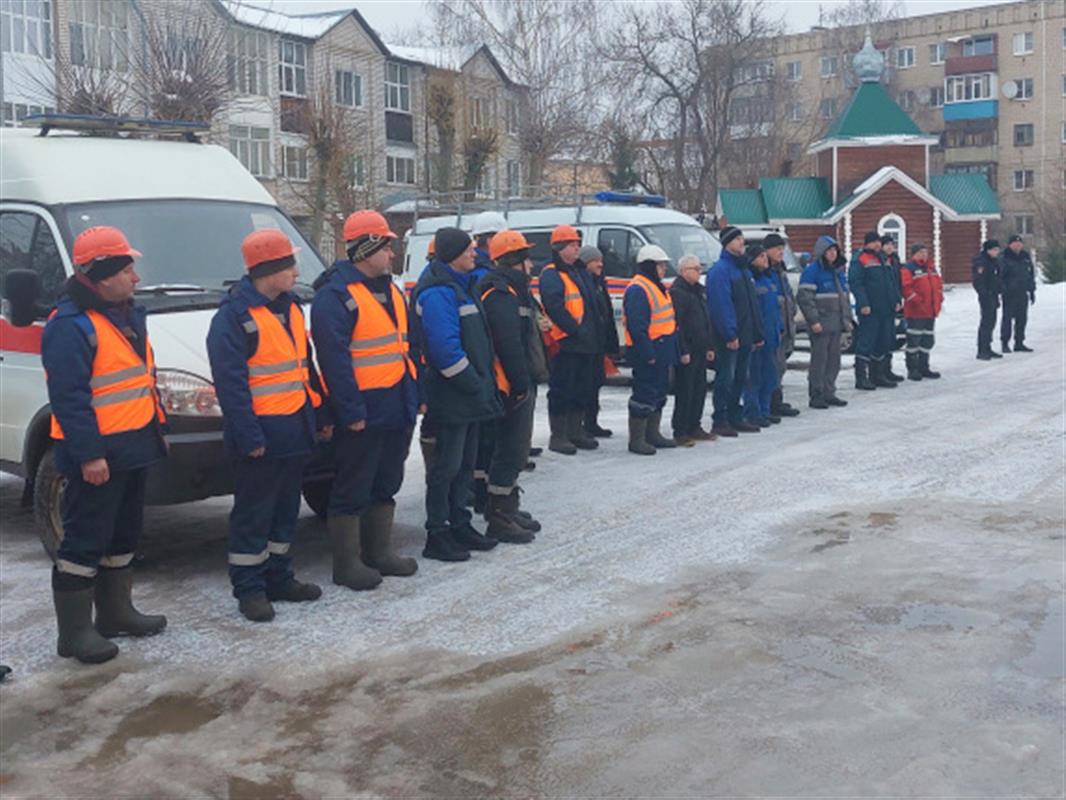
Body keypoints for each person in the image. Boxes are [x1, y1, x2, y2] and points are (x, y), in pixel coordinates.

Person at [42, 226, 168, 664]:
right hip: (98, 455)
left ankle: (116, 614)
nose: (135, 278)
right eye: (127, 269)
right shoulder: (70, 327)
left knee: (123, 536)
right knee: (84, 542)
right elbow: (70, 400)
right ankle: (74, 634)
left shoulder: (125, 315)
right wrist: (90, 454)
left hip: (132, 447)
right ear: (101, 274)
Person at [207, 229, 329, 621]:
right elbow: (232, 386)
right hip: (261, 435)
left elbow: (304, 369)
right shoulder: (234, 319)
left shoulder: (291, 308)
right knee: (253, 514)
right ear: (270, 269)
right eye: (290, 264)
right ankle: (249, 589)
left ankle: (279, 578)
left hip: (293, 427)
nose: (296, 271)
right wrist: (249, 436)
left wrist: (320, 414)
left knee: (284, 510)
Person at [311, 211, 420, 588]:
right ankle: (347, 564)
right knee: (352, 486)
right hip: (364, 410)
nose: (392, 253)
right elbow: (334, 361)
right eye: (387, 246)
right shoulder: (335, 296)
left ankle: (379, 553)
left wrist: (414, 396)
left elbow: (406, 347)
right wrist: (351, 411)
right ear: (368, 248)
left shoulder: (391, 289)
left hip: (396, 403)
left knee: (387, 480)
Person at [411, 227, 503, 561]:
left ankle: (460, 524)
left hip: (469, 392)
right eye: (468, 251)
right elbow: (445, 351)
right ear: (453, 255)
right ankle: (438, 533)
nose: (474, 255)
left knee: (464, 465)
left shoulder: (462, 287)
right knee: (446, 467)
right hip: (452, 395)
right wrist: (476, 385)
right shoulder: (438, 293)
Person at [475, 230, 543, 543]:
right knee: (509, 450)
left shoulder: (513, 291)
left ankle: (507, 506)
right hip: (510, 385)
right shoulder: (501, 294)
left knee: (515, 450)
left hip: (516, 382)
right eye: (526, 257)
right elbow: (509, 344)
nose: (531, 263)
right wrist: (520, 384)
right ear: (515, 261)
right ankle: (499, 516)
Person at [539, 225, 600, 454]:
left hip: (584, 343)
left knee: (581, 388)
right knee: (562, 389)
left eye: (577, 245)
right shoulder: (552, 274)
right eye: (573, 245)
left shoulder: (577, 271)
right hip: (565, 343)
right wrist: (575, 330)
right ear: (560, 248)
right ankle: (559, 436)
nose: (577, 249)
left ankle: (575, 431)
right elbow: (555, 306)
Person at [623, 244, 684, 455]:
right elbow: (637, 327)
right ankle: (637, 439)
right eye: (660, 265)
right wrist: (647, 353)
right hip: (650, 351)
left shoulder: (656, 286)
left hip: (663, 349)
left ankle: (652, 433)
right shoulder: (638, 289)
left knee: (658, 392)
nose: (664, 269)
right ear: (650, 266)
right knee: (644, 393)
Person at [706, 226, 764, 437]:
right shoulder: (720, 271)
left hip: (746, 335)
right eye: (737, 239)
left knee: (741, 377)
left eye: (742, 239)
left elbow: (752, 305)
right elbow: (721, 306)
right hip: (730, 337)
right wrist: (730, 334)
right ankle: (720, 419)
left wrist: (757, 333)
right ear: (726, 242)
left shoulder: (744, 270)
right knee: (726, 379)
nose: (742, 243)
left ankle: (735, 416)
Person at [469, 211, 508, 514]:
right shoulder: (482, 274)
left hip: (488, 363)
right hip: (488, 364)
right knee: (486, 437)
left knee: (487, 436)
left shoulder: (484, 270)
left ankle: (480, 492)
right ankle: (481, 496)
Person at [797, 235, 854, 409]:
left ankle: (829, 392)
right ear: (821, 252)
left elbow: (844, 298)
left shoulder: (838, 272)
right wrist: (813, 320)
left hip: (836, 323)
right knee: (819, 362)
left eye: (835, 250)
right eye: (829, 250)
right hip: (820, 324)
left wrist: (848, 320)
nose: (832, 253)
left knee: (834, 361)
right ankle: (816, 394)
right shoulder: (812, 271)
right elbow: (805, 299)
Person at [669, 254, 718, 445]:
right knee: (685, 391)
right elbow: (677, 324)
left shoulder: (699, 291)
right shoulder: (678, 293)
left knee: (699, 389)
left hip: (700, 348)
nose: (699, 272)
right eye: (694, 269)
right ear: (683, 271)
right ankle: (680, 430)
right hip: (687, 350)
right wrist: (683, 350)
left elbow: (705, 321)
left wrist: (709, 346)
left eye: (699, 268)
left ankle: (694, 426)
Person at [578, 245, 620, 438]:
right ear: (586, 262)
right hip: (586, 343)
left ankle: (592, 422)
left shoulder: (599, 283)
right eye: (596, 260)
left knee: (596, 383)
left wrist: (611, 344)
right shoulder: (583, 283)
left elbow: (607, 314)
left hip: (598, 343)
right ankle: (581, 425)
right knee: (584, 385)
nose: (600, 264)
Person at [848, 231, 899, 391]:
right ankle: (861, 377)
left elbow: (892, 281)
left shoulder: (884, 259)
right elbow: (856, 283)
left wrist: (896, 299)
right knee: (866, 343)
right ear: (867, 243)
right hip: (870, 309)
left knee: (882, 342)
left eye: (878, 242)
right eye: (874, 242)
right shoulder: (860, 259)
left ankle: (878, 375)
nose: (877, 244)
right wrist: (863, 303)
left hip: (886, 308)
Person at [742, 245, 783, 427]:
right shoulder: (750, 280)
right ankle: (753, 412)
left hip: (772, 334)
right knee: (754, 376)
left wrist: (780, 327)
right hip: (757, 336)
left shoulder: (768, 279)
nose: (765, 260)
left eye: (765, 256)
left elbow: (775, 308)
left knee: (770, 375)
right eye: (760, 257)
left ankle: (765, 410)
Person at [762, 233, 799, 418]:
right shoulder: (764, 271)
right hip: (772, 327)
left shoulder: (780, 270)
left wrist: (791, 311)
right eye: (777, 248)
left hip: (785, 325)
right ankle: (768, 403)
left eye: (782, 248)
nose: (781, 252)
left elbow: (788, 295)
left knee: (780, 366)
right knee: (772, 366)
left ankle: (777, 401)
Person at [899, 243, 944, 381]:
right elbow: (906, 288)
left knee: (927, 340)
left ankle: (924, 367)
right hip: (916, 312)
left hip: (931, 311)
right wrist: (917, 301)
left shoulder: (931, 268)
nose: (924, 255)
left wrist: (939, 298)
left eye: (925, 252)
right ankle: (912, 369)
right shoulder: (908, 268)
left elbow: (938, 286)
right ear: (914, 254)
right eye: (920, 252)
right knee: (914, 341)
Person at [999, 234, 1036, 353]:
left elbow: (1030, 274)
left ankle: (1019, 342)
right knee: (1007, 319)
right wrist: (1003, 289)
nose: (1018, 245)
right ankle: (1005, 343)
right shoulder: (1004, 257)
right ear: (1010, 245)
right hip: (1009, 293)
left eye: (1020, 243)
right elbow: (1000, 277)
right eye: (1015, 243)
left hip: (1022, 292)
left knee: (1022, 319)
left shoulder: (1025, 257)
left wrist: (1031, 290)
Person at [972, 239, 1004, 360]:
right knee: (986, 322)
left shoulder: (994, 261)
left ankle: (988, 347)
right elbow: (978, 281)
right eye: (995, 250)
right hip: (986, 296)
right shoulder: (981, 262)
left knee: (992, 321)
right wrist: (984, 294)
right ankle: (982, 349)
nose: (997, 252)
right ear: (988, 250)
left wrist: (1000, 289)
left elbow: (997, 277)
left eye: (997, 250)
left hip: (994, 294)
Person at [879, 235, 905, 382]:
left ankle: (888, 369)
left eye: (891, 244)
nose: (890, 247)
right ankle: (880, 371)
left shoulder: (894, 260)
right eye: (886, 244)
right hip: (882, 303)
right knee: (882, 339)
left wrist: (898, 298)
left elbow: (896, 282)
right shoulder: (880, 260)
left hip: (894, 302)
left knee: (890, 337)